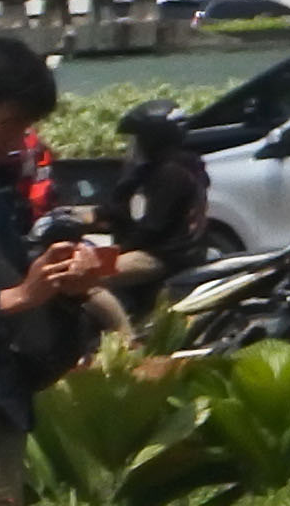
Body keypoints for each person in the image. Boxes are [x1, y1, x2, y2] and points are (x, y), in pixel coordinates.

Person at [0, 34, 107, 506]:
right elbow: (8, 291)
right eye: (10, 123)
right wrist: (19, 297)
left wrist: (59, 277)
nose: (18, 139)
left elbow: (8, 265)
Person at [95, 102, 221, 351]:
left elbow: (152, 228)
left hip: (165, 255)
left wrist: (116, 252)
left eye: (138, 139)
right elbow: (119, 208)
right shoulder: (176, 166)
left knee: (88, 280)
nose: (133, 146)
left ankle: (128, 345)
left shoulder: (170, 173)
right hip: (170, 249)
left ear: (153, 139)